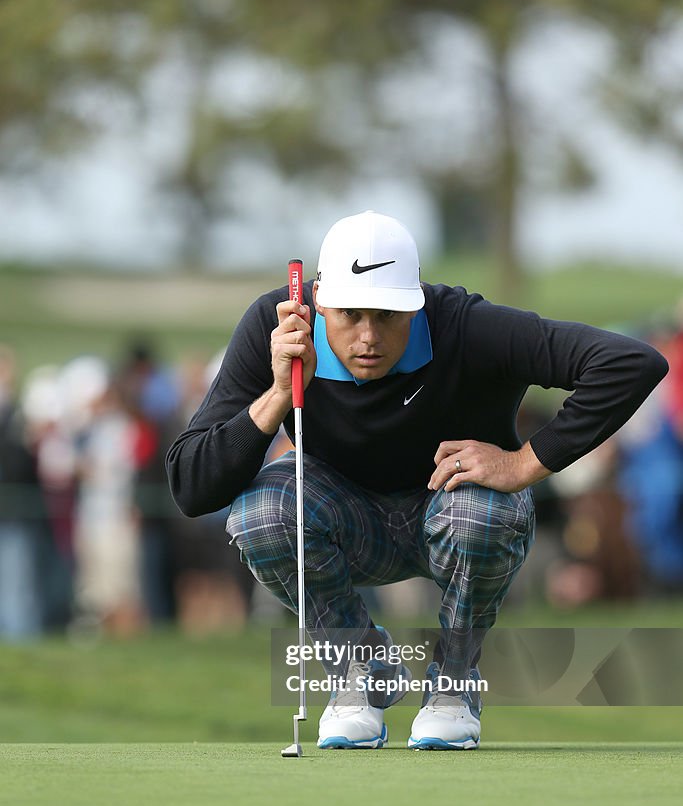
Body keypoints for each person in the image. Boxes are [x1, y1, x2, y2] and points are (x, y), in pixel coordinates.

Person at [166, 210, 668, 750]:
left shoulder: (467, 325)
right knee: (261, 511)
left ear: (417, 301)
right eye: (349, 314)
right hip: (345, 523)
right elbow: (193, 487)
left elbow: (630, 363)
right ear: (316, 298)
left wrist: (523, 462)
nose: (368, 336)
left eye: (388, 315)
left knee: (484, 508)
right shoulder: (279, 326)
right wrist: (278, 395)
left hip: (457, 515)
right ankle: (358, 671)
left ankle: (454, 682)